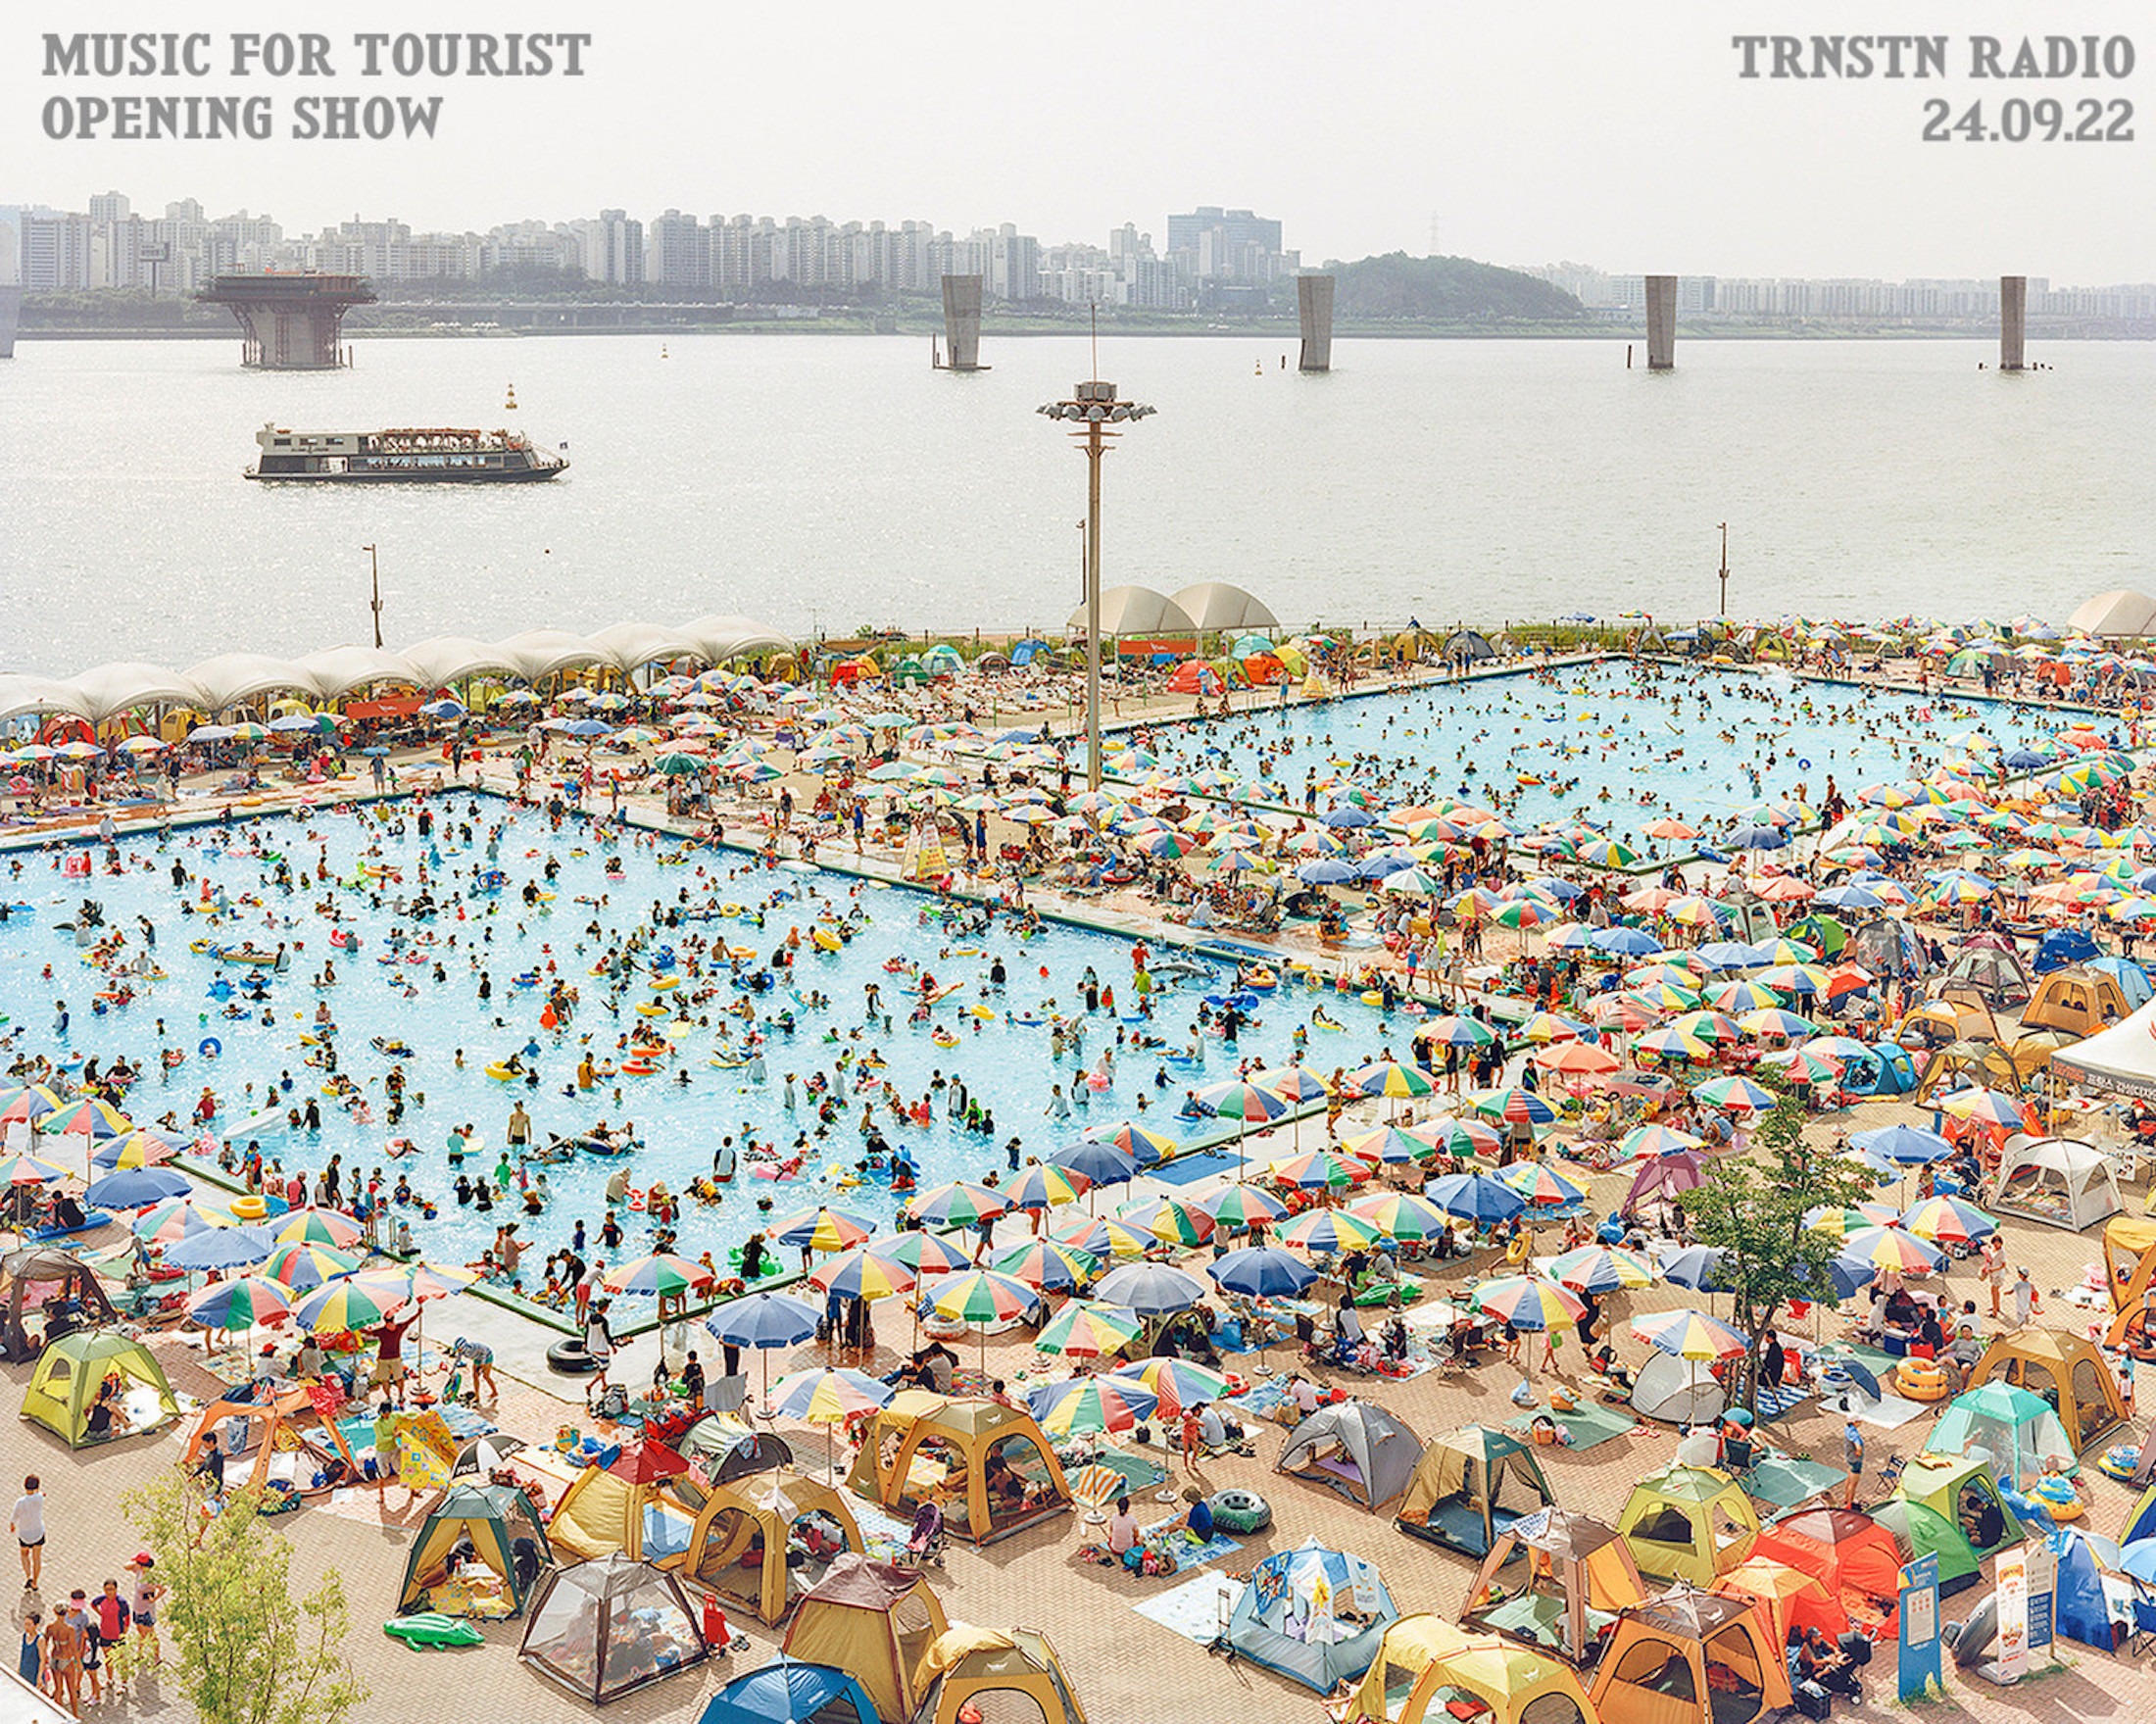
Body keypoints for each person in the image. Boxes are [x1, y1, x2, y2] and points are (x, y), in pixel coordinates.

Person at [128, 1553, 164, 1663]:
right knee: (141, 1632)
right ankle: (140, 1654)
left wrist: (154, 1599)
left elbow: (163, 1588)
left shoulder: (151, 1577)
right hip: (137, 1607)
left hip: (147, 1610)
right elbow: (126, 1566)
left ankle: (156, 1657)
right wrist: (136, 1564)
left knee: (150, 1633)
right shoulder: (139, 1571)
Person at [12, 1473, 43, 1590]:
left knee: (24, 1555)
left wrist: (12, 1525)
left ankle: (28, 1576)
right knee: (37, 1558)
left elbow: (14, 1517)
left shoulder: (20, 1502)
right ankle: (35, 1582)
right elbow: (40, 1494)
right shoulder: (39, 1498)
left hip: (24, 1534)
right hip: (38, 1532)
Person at [585, 1299, 617, 1394]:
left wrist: (585, 1343)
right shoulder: (603, 1321)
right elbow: (607, 1336)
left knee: (601, 1366)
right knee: (604, 1369)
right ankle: (590, 1385)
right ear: (605, 1308)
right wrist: (613, 1347)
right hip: (601, 1349)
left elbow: (586, 1332)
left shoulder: (590, 1318)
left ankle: (604, 1385)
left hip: (591, 1347)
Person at [1842, 1417, 1865, 1507]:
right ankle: (1850, 1502)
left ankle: (1846, 1497)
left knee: (1849, 1478)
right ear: (1855, 1422)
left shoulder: (1847, 1428)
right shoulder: (1854, 1434)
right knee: (1853, 1483)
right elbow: (1858, 1447)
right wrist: (1858, 1453)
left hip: (1849, 1458)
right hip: (1855, 1460)